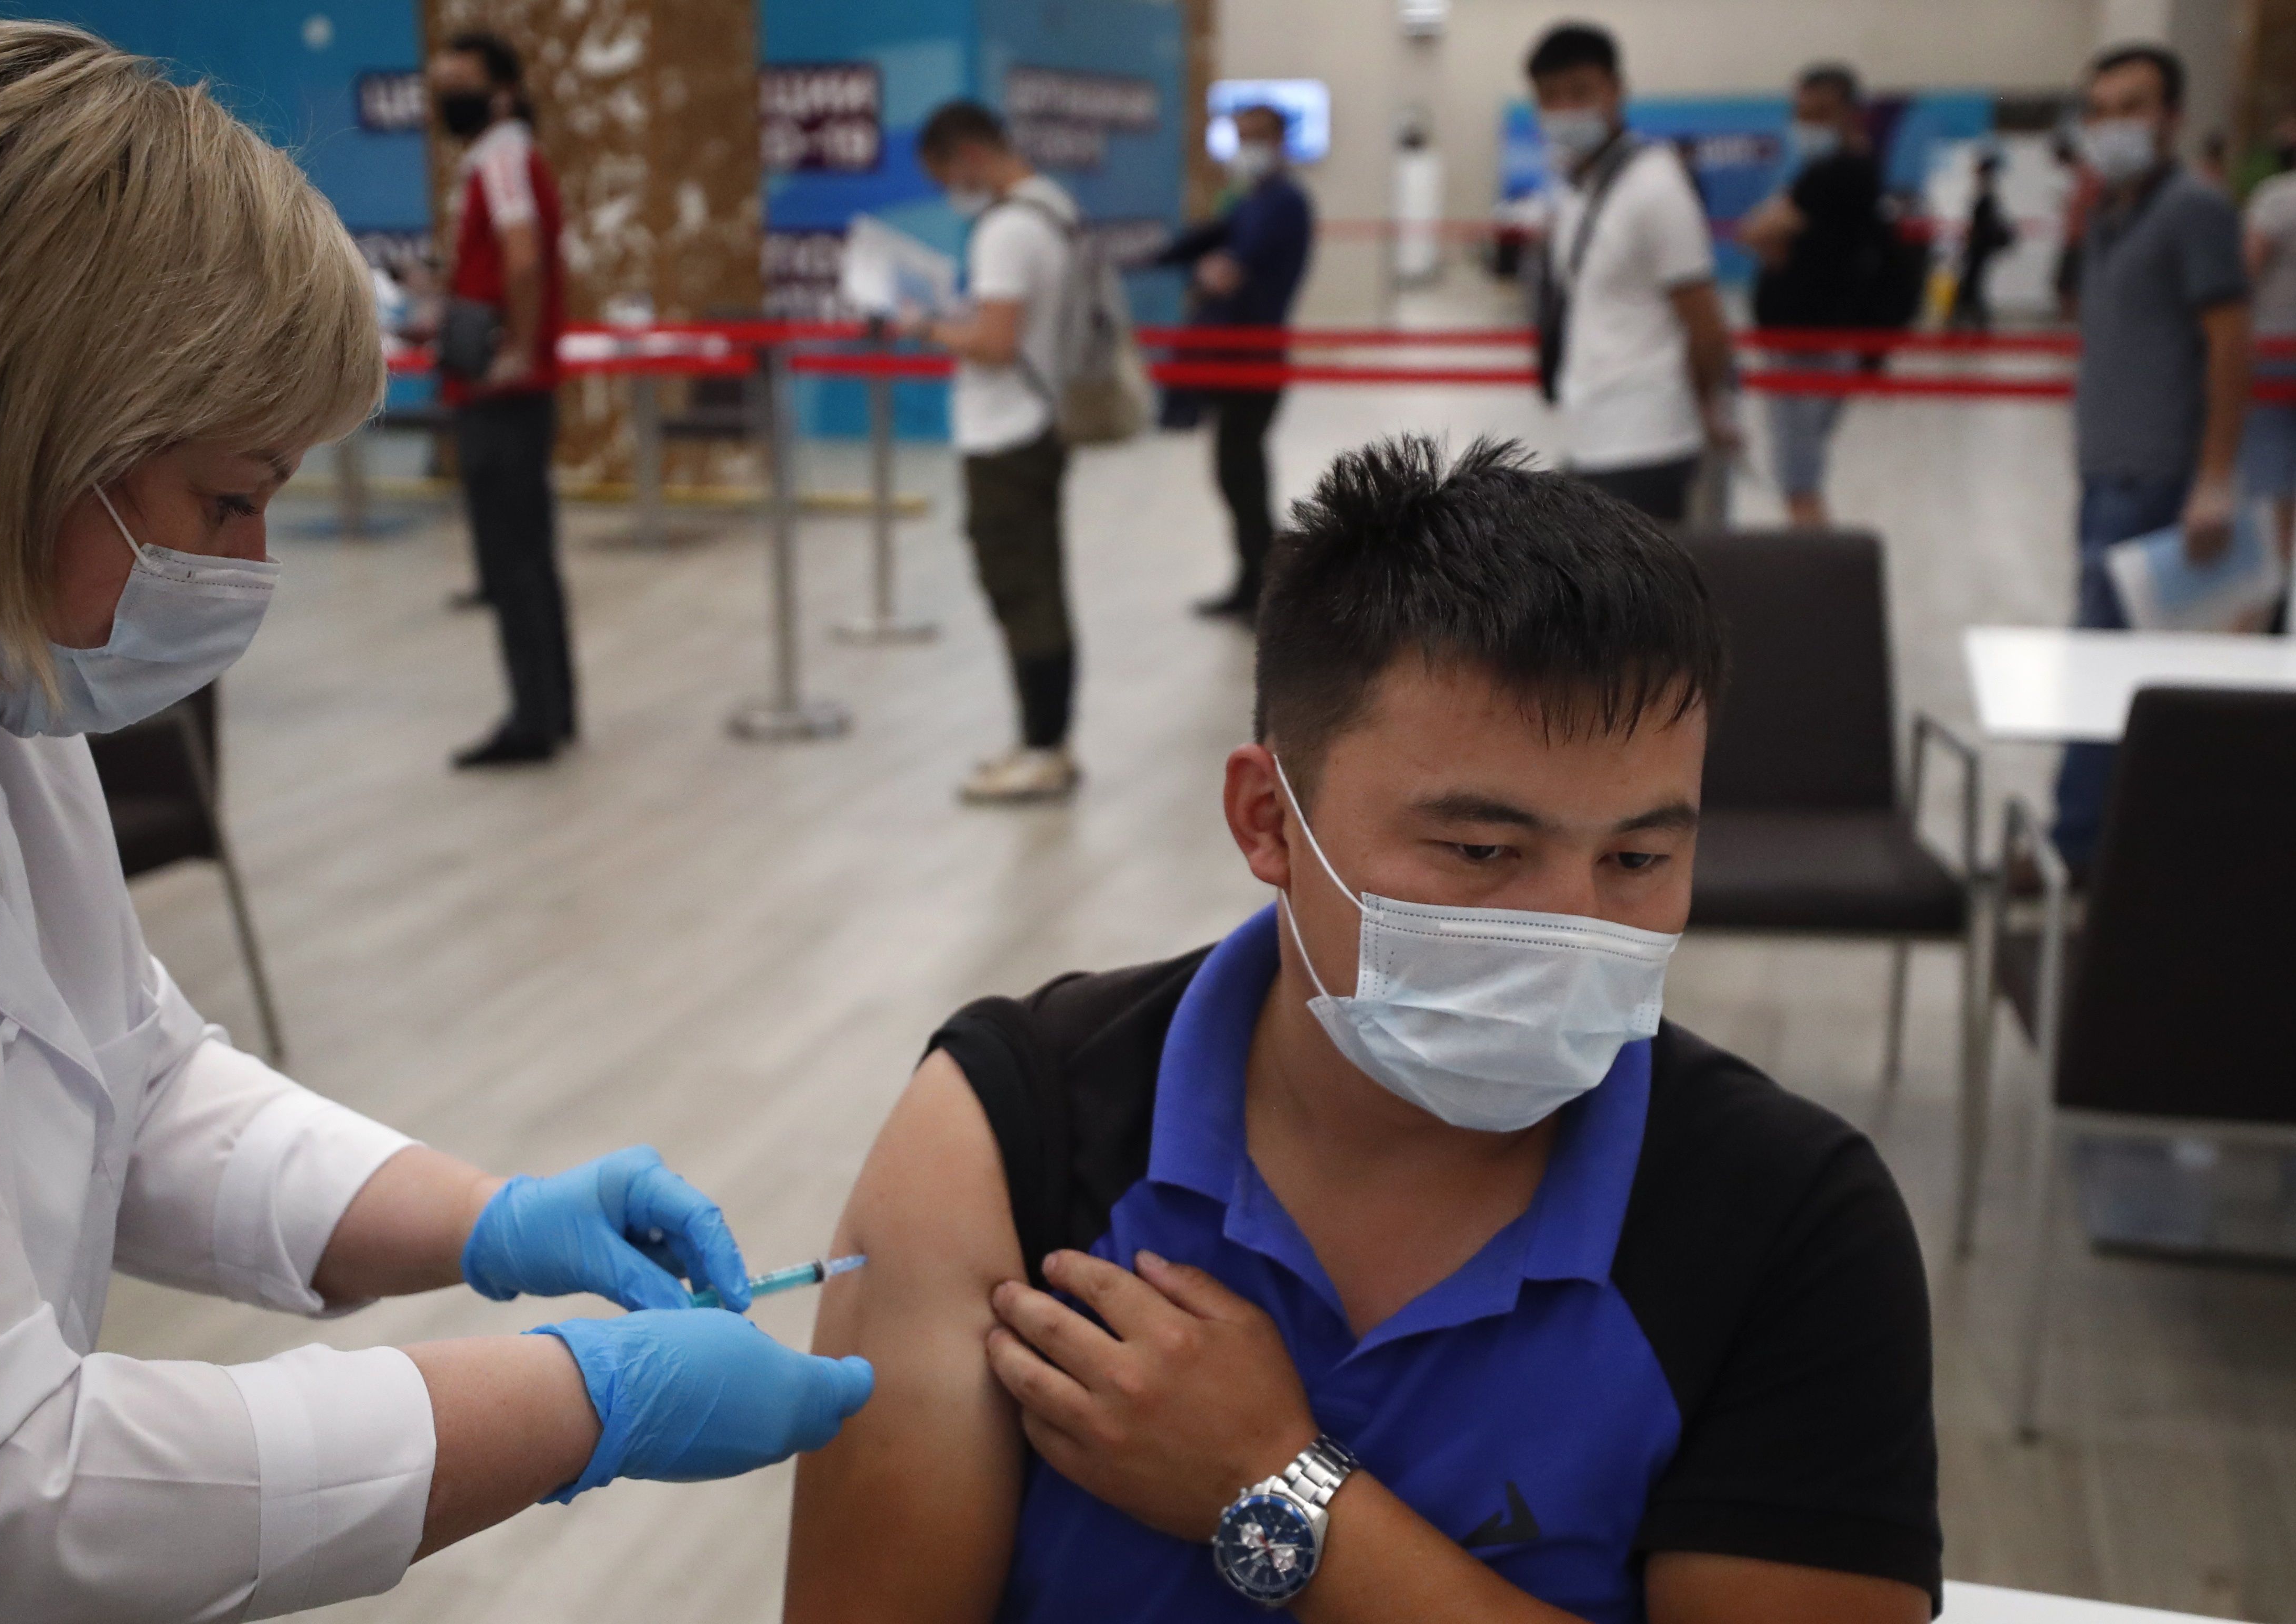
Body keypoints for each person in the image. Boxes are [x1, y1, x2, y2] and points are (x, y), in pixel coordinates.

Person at [0, 25, 871, 1618]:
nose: (251, 568)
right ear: (4, 443)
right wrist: (580, 1403)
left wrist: (486, 1221)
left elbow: (126, 1080)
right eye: (226, 501)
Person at [786, 436, 1940, 1624]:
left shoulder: (1786, 1221)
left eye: (1638, 858)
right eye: (1483, 852)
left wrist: (1272, 1489)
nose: (1572, 926)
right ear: (1267, 820)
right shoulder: (1012, 1132)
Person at [2051, 42, 2253, 875]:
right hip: (2107, 473)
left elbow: (2229, 343)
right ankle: (2102, 841)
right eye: (2099, 109)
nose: (2112, 125)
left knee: (2117, 669)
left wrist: (2214, 477)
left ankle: (2082, 848)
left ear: (2170, 119)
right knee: (2110, 663)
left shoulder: (2194, 210)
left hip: (2161, 483)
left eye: (2131, 106)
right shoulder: (2108, 212)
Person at [908, 100, 1083, 804]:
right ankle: (1045, 739)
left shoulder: (1006, 230)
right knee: (1036, 585)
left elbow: (996, 342)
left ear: (969, 156)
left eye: (946, 173)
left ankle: (1043, 747)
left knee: (1023, 591)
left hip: (1005, 432)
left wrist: (926, 326)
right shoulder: (1053, 206)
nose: (950, 188)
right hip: (1041, 422)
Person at [431, 32, 577, 768]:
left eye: (459, 82)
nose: (445, 96)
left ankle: (533, 717)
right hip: (506, 384)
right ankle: (556, 706)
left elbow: (522, 256)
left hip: (502, 391)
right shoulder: (503, 157)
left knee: (514, 560)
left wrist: (514, 350)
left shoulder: (503, 157)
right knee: (532, 556)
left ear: (503, 91)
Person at [1526, 23, 1739, 526]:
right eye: (1550, 97)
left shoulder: (1656, 187)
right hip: (1590, 433)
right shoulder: (1579, 185)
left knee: (1640, 600)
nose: (1565, 108)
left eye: (1579, 91)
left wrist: (1704, 412)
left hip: (1650, 443)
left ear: (1615, 90)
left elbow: (1706, 326)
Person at [1156, 104, 1316, 621]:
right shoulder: (1251, 200)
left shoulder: (1285, 202)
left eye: (1257, 136)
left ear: (1280, 142)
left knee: (1242, 474)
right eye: (1239, 136)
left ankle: (1268, 590)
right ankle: (1253, 584)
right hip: (1232, 357)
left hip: (1255, 359)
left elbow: (1230, 270)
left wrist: (1208, 274)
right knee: (1235, 474)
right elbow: (1213, 242)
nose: (1247, 146)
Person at [1740, 63, 1887, 528]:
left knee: (1799, 478)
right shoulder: (1825, 174)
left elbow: (1759, 228)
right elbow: (1762, 232)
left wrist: (1777, 237)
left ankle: (1814, 574)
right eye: (1802, 113)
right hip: (1810, 341)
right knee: (1802, 471)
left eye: (1821, 113)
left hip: (1809, 347)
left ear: (1848, 115)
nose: (1808, 125)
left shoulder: (1838, 173)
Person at [2240, 117, 2296, 569]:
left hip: (2276, 354)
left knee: (2272, 482)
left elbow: (2247, 272)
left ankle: (2272, 590)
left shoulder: (2278, 198)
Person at [1951, 152, 2015, 333]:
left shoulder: (1985, 193)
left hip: (1979, 247)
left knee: (1972, 282)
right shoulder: (1987, 191)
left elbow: (1979, 223)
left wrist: (1970, 239)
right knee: (1973, 282)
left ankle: (1972, 320)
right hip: (1980, 247)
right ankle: (1975, 319)